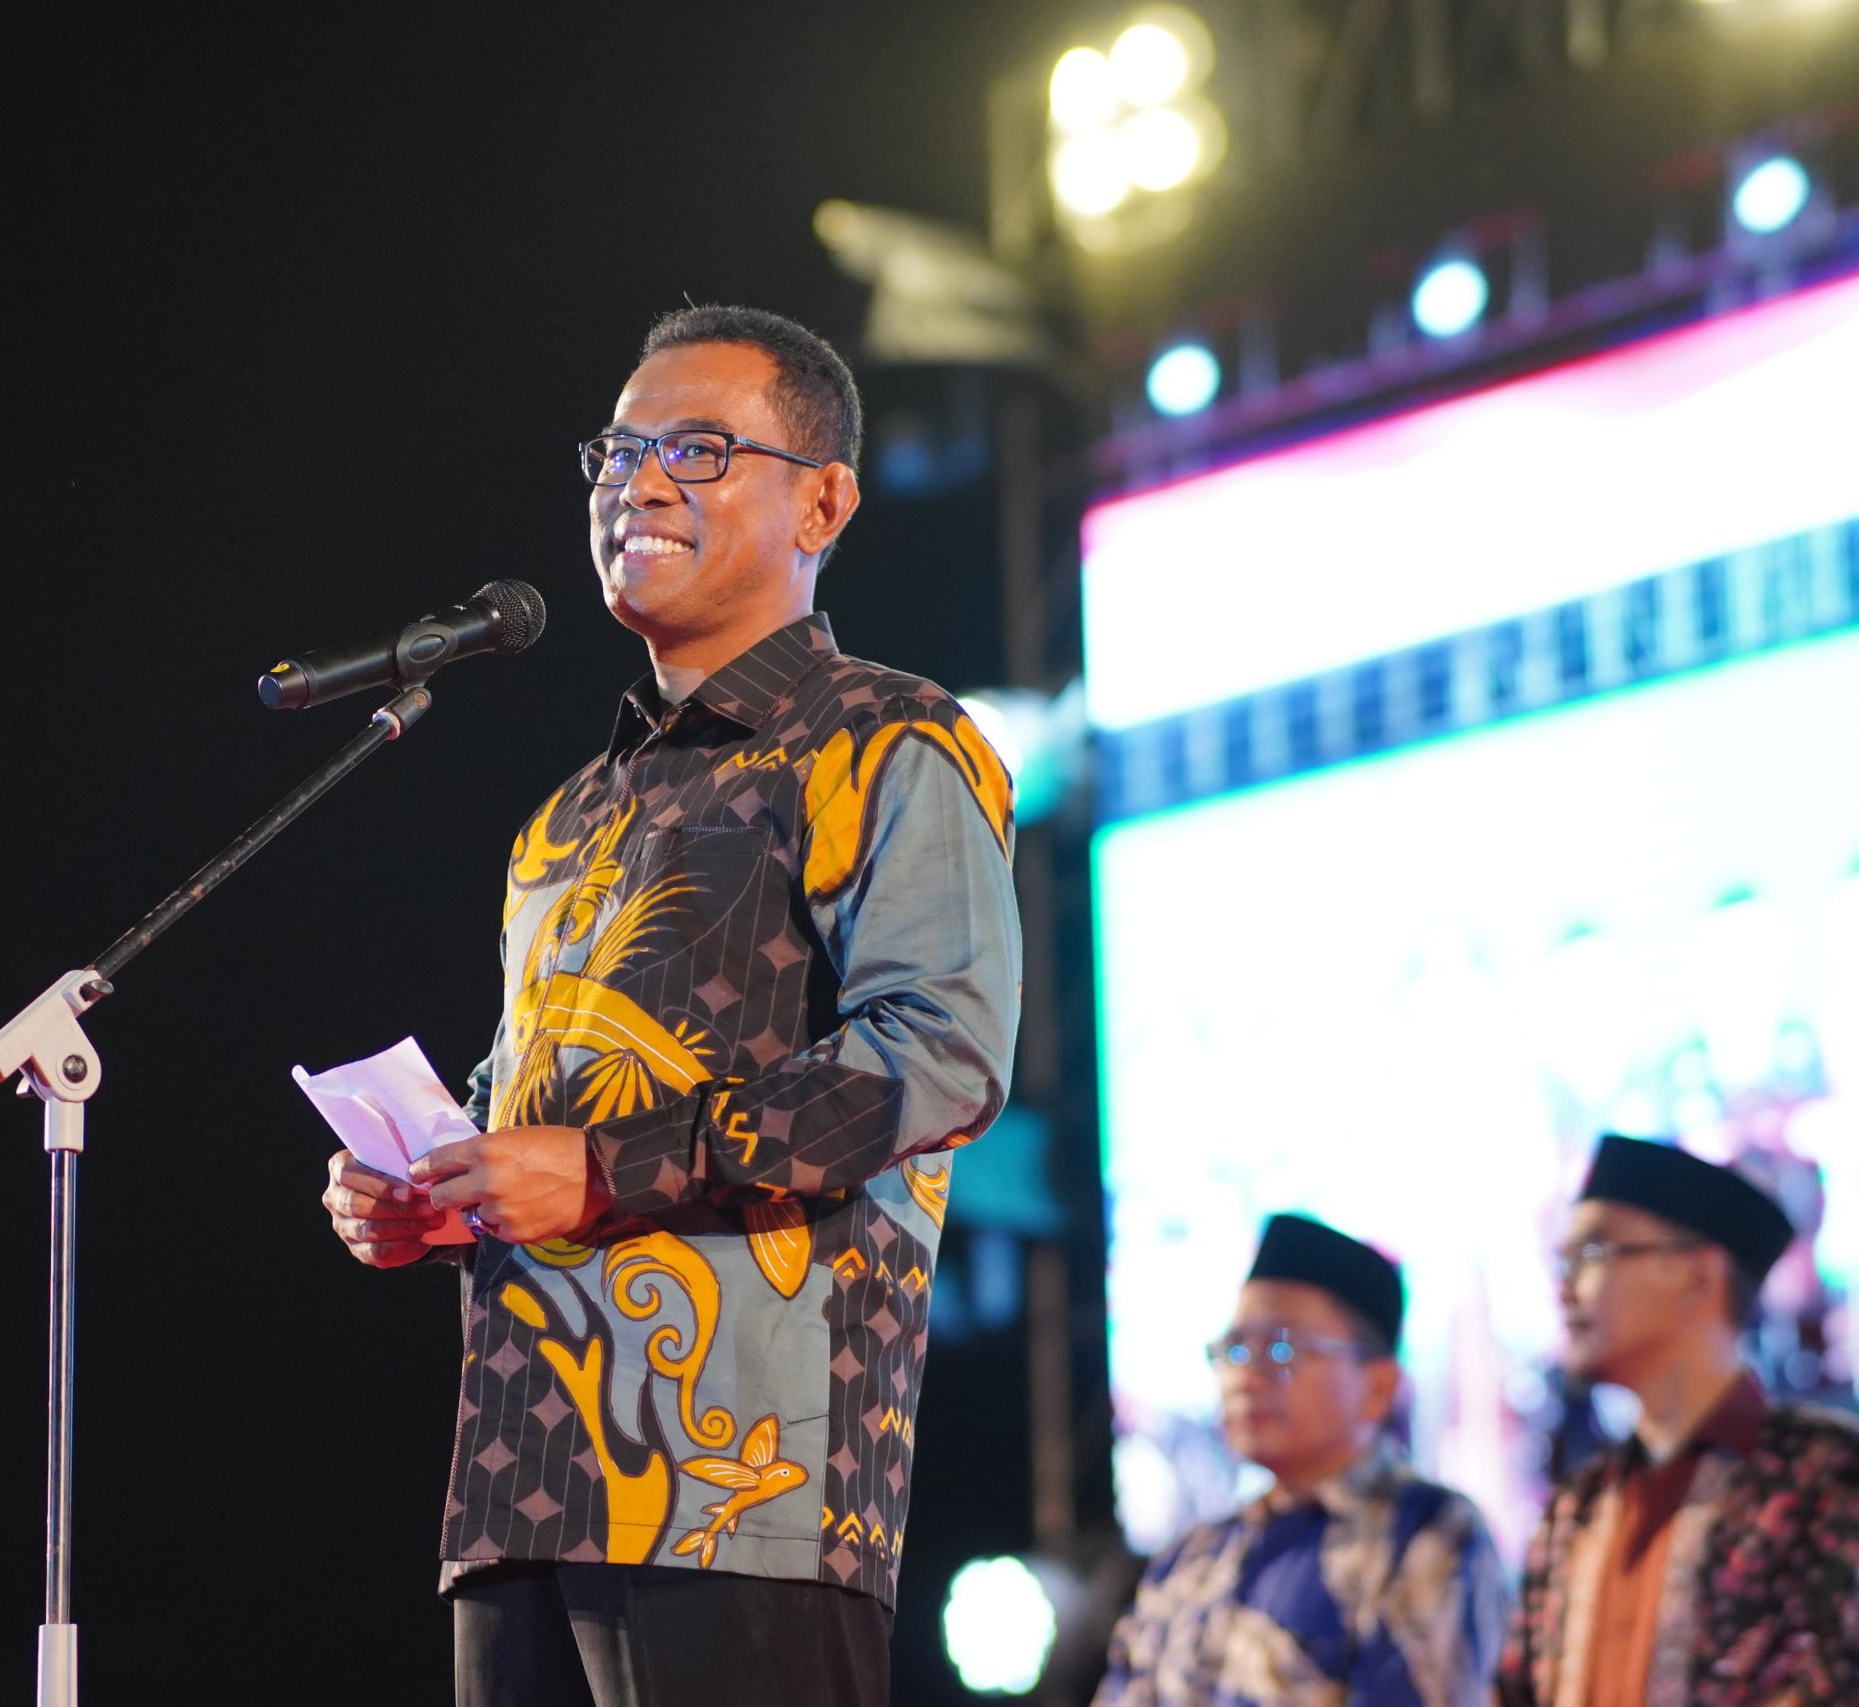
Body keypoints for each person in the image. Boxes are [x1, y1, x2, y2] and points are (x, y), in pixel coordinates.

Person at [318, 304, 1021, 1706]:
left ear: (822, 501)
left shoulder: (889, 737)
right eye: (618, 452)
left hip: (745, 1483)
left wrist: (598, 1166)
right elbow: (538, 1105)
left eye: (697, 449)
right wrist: (435, 1184)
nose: (636, 484)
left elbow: (940, 1054)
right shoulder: (563, 820)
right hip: (520, 1477)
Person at [1498, 1134, 1859, 1707]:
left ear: (1698, 1275)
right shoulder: (1578, 1508)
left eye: (1592, 1254)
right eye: (1562, 1260)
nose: (1564, 1288)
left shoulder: (1825, 1482)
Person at [1095, 1213, 1507, 1706]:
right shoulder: (1195, 1554)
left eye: (1281, 1349)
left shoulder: (1427, 1533)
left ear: (1378, 1387)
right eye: (1235, 1350)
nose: (1245, 1378)